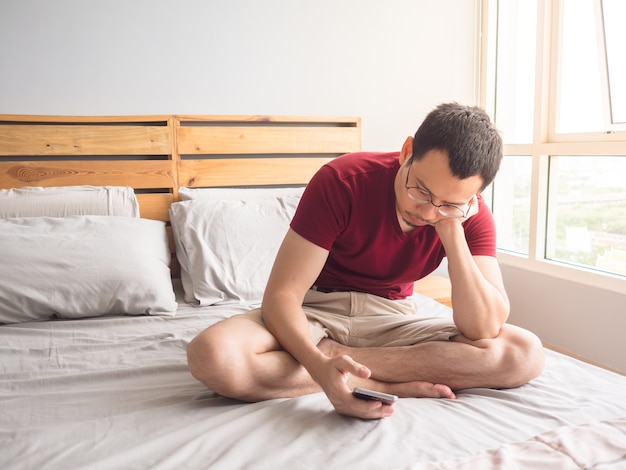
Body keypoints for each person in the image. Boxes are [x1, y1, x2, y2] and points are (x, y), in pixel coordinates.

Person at [187, 102, 545, 419]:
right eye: (421, 190)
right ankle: (381, 376)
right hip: (316, 310)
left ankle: (351, 364)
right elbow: (282, 297)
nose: (427, 211)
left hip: (391, 320)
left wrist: (452, 232)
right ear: (407, 151)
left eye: (450, 203)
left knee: (524, 353)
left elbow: (483, 327)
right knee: (213, 356)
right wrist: (318, 366)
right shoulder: (343, 181)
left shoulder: (469, 215)